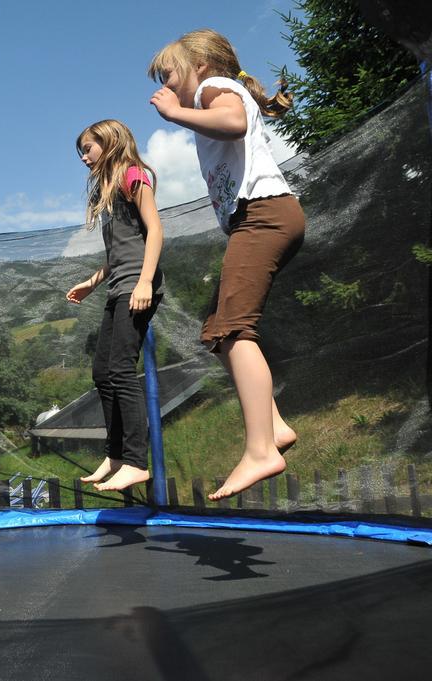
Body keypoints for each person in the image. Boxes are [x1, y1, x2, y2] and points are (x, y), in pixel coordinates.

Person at [148, 29, 304, 500]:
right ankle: (272, 427)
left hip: (264, 213)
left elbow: (234, 121)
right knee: (216, 330)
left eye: (169, 75)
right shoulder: (214, 92)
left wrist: (177, 112)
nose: (166, 86)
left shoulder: (216, 90)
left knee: (234, 331)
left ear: (198, 64)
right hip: (259, 218)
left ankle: (260, 450)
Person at [66, 120, 164, 493]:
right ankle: (118, 454)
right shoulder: (107, 194)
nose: (84, 157)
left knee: (121, 368)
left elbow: (154, 230)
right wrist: (92, 283)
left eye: (88, 148)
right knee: (101, 372)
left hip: (138, 285)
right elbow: (120, 252)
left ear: (109, 144)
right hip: (119, 285)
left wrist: (144, 282)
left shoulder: (133, 176)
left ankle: (137, 461)